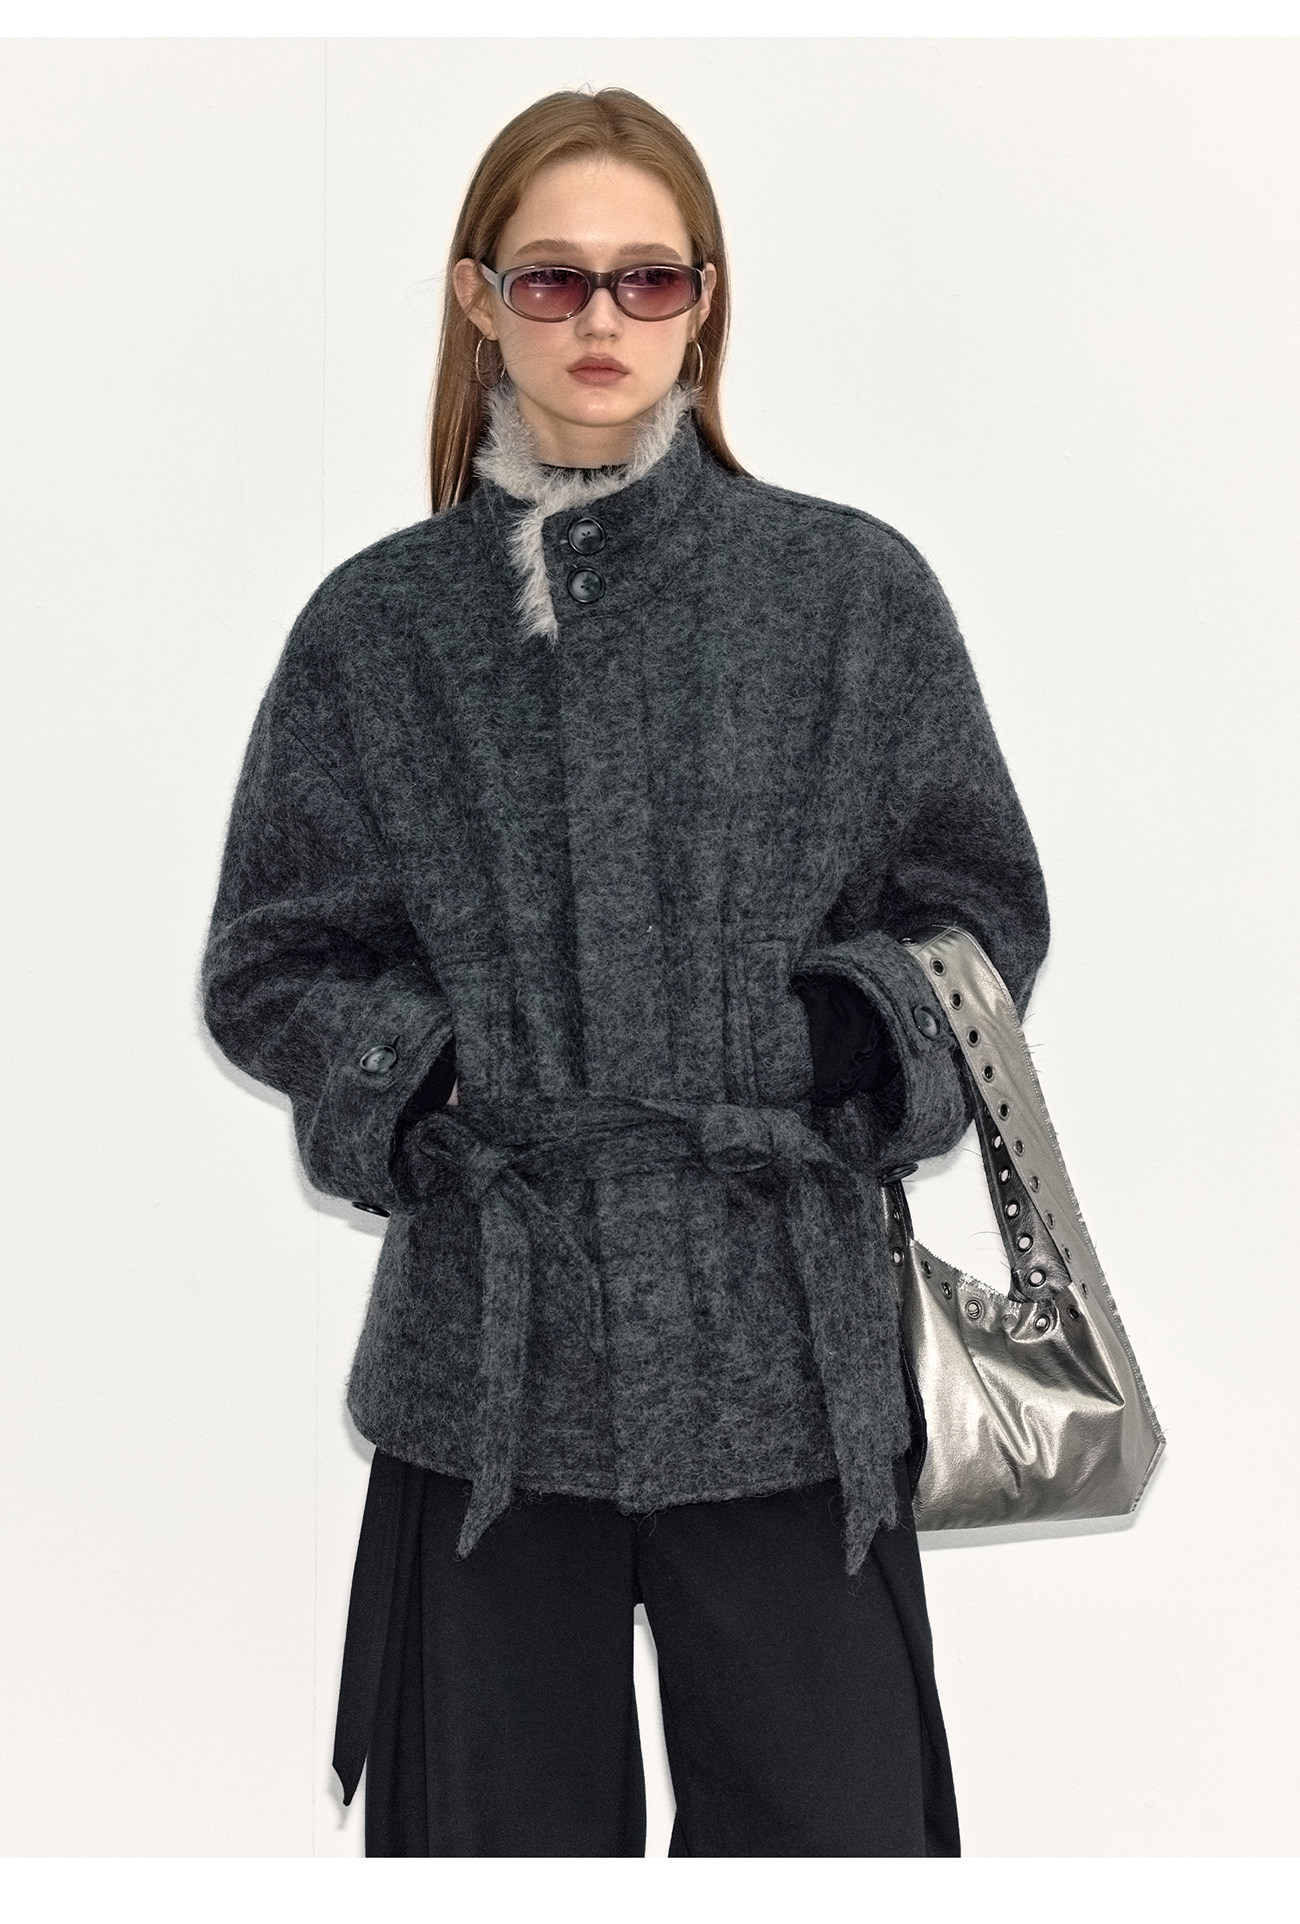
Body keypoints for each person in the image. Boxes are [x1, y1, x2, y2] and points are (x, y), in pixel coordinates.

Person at [201, 87, 1049, 1857]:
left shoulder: (848, 594)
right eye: (554, 278)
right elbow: (272, 957)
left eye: (648, 278)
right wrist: (425, 1080)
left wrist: (837, 1033)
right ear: (478, 299)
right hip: (487, 1371)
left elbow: (980, 910)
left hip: (789, 1361)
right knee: (488, 1859)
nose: (602, 319)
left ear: (706, 300)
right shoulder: (380, 626)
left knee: (841, 1847)